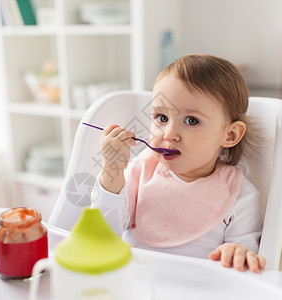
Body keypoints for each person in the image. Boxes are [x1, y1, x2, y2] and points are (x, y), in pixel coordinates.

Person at [91, 54, 265, 273]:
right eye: (162, 118)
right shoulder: (140, 171)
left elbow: (244, 260)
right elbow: (101, 234)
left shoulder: (240, 196)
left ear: (230, 135)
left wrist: (238, 252)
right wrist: (112, 172)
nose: (169, 134)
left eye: (192, 120)